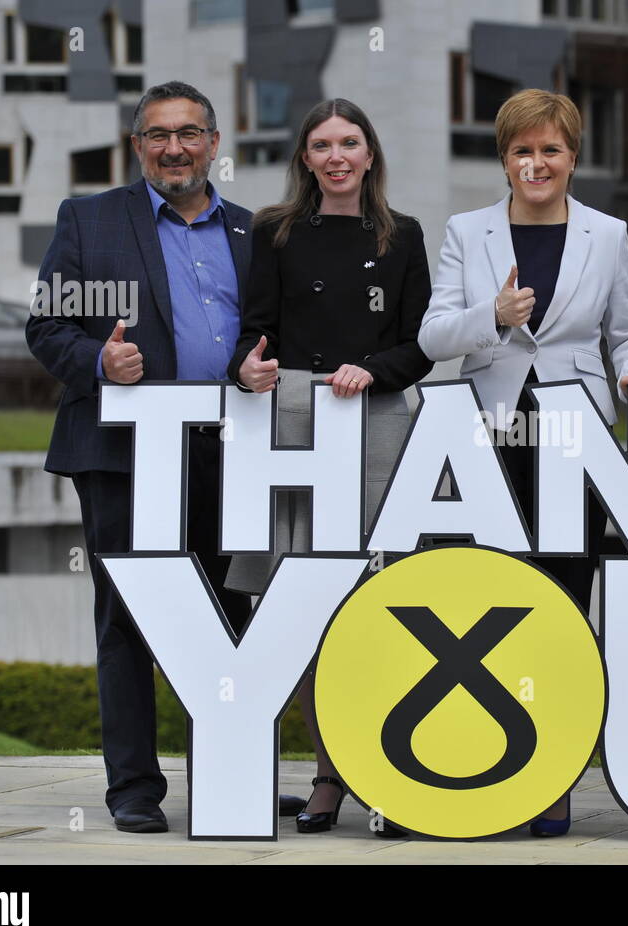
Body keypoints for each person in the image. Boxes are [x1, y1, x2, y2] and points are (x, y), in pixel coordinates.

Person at [418, 88, 628, 836]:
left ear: (572, 156)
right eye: (522, 151)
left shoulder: (608, 233)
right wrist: (489, 318)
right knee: (489, 607)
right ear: (504, 159)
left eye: (550, 150)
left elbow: (625, 330)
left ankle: (553, 771)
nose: (537, 163)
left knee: (565, 603)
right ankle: (485, 761)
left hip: (575, 440)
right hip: (488, 438)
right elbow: (433, 337)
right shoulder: (467, 230)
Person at [25, 81, 254, 833]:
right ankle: (133, 789)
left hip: (229, 451)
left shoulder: (255, 233)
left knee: (230, 615)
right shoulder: (89, 221)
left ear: (214, 144)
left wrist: (261, 365)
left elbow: (274, 334)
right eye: (158, 135)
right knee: (128, 618)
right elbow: (46, 329)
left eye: (190, 133)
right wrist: (99, 360)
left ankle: (228, 772)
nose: (175, 148)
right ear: (137, 146)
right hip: (121, 453)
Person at [227, 98, 433, 837]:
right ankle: (327, 775)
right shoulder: (274, 231)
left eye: (351, 142)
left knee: (379, 606)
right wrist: (246, 367)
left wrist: (372, 370)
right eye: (322, 144)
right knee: (304, 611)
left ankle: (390, 769)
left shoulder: (402, 235)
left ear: (370, 154)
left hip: (377, 426)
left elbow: (421, 344)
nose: (338, 155)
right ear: (306, 159)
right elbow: (255, 330)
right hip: (291, 423)